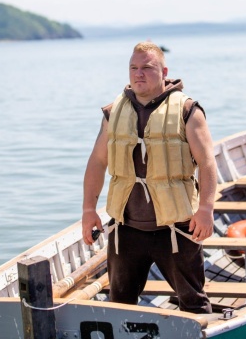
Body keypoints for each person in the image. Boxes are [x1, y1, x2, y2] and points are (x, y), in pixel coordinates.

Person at [81, 41, 217, 314]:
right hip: (126, 228)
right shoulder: (114, 112)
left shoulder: (187, 110)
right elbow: (97, 161)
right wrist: (88, 210)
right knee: (120, 305)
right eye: (133, 68)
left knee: (194, 304)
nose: (138, 73)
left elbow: (207, 163)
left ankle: (202, 330)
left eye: (147, 67)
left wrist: (205, 209)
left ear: (164, 71)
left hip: (177, 228)